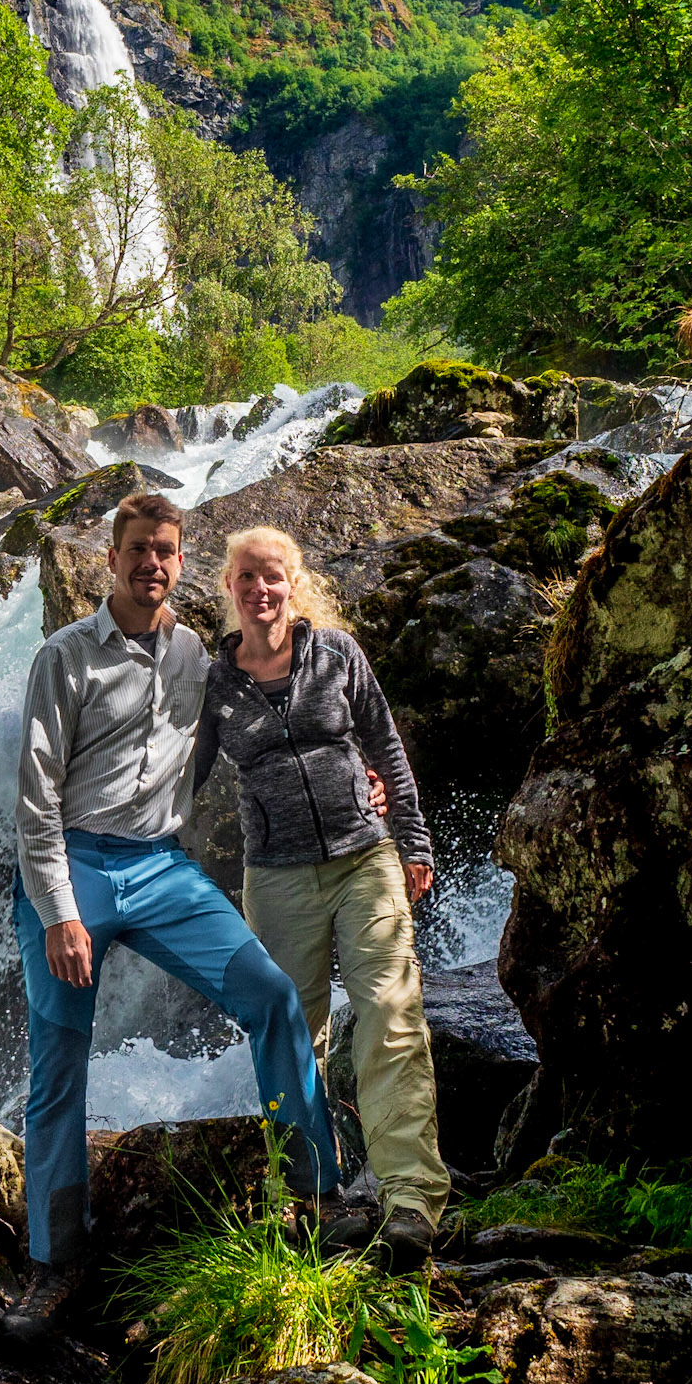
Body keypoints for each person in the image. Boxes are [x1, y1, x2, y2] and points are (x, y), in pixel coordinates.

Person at [5, 491, 342, 1344]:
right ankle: (55, 1261)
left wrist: (363, 777)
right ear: (109, 560)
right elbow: (34, 799)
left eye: (165, 550)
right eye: (137, 549)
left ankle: (313, 1197)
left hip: (160, 867)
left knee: (269, 996)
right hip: (72, 867)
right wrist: (57, 911)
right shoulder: (66, 657)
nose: (151, 563)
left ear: (181, 563)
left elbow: (284, 698)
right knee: (59, 1059)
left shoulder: (197, 653)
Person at [194, 523, 450, 1271]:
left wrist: (415, 840)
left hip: (363, 857)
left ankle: (409, 1197)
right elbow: (187, 775)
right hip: (275, 876)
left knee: (390, 1014)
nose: (260, 589)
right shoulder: (215, 683)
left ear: (294, 583)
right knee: (291, 1036)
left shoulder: (338, 654)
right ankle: (312, 1195)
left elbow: (386, 746)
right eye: (246, 577)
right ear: (230, 589)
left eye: (273, 576)